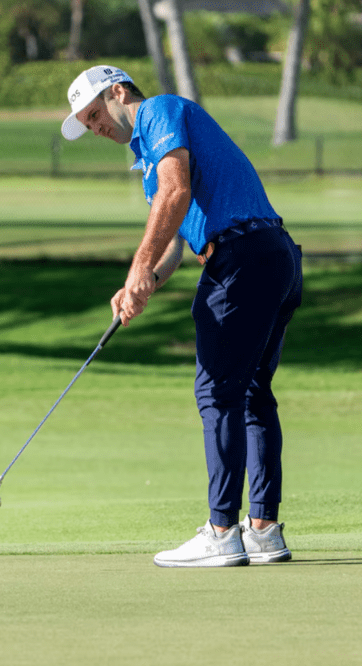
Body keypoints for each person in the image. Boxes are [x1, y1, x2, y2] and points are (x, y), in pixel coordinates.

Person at [61, 65, 303, 568]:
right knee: (253, 391)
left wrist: (137, 266)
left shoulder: (158, 111)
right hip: (272, 255)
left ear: (117, 92)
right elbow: (174, 239)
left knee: (217, 393)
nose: (94, 127)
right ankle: (261, 529)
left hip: (242, 259)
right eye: (85, 125)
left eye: (93, 114)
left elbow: (177, 195)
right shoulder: (148, 155)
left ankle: (221, 531)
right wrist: (142, 285)